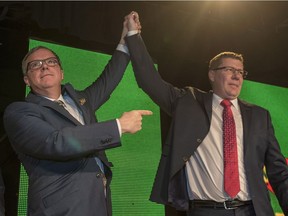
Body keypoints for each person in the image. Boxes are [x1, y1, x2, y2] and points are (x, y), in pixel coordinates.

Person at [124, 12, 288, 216]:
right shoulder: (188, 102)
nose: (237, 75)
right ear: (212, 74)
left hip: (252, 211)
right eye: (229, 69)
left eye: (241, 72)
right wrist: (133, 35)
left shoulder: (259, 116)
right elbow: (150, 81)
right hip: (206, 211)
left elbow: (279, 172)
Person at [3, 13, 152, 216]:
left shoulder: (82, 101)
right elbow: (54, 142)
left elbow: (109, 79)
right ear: (27, 80)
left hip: (98, 206)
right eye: (35, 65)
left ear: (62, 73)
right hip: (60, 210)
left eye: (51, 61)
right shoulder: (19, 112)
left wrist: (125, 40)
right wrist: (118, 126)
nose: (44, 66)